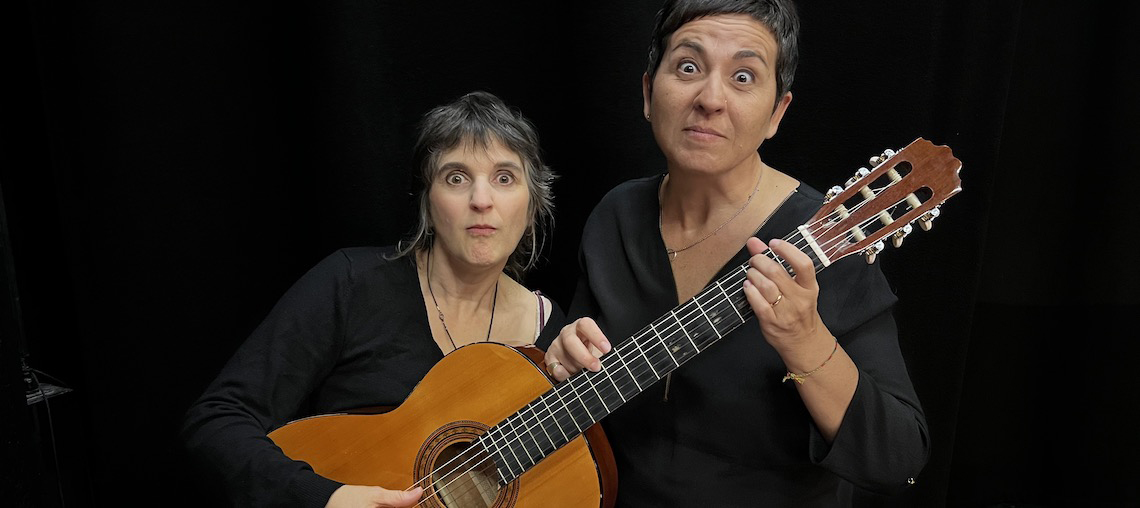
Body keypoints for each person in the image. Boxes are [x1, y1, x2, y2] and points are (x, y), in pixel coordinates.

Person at [539, 0, 930, 506]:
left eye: (743, 77)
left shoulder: (829, 243)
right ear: (647, 93)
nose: (710, 98)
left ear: (777, 113)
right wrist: (562, 364)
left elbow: (898, 457)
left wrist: (806, 341)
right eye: (688, 67)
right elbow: (577, 397)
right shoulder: (615, 217)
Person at [181, 90, 565, 508]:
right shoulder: (352, 284)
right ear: (428, 201)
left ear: (533, 205)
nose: (481, 200)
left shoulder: (548, 332)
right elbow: (215, 421)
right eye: (456, 178)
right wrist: (326, 498)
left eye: (504, 178)